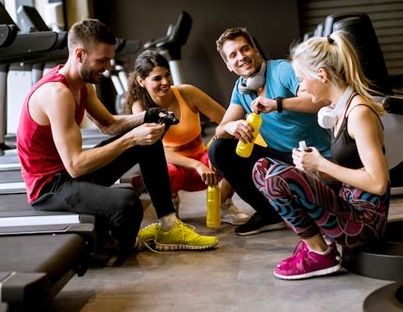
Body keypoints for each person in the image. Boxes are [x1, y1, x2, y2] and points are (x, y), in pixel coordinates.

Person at [17, 18, 218, 253]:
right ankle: (119, 247)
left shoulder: (83, 86)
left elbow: (109, 124)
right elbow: (76, 166)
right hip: (51, 188)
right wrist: (132, 138)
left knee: (149, 135)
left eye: (109, 60)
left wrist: (149, 116)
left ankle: (169, 225)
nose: (108, 66)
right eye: (102, 60)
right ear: (79, 54)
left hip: (71, 175)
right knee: (127, 203)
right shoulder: (57, 94)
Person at [252, 31, 390, 280]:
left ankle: (320, 255)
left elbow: (378, 183)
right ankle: (314, 246)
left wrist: (322, 163)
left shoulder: (359, 114)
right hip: (348, 207)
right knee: (262, 168)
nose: (301, 87)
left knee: (276, 178)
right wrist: (313, 171)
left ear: (322, 75)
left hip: (364, 225)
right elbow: (350, 171)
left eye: (301, 80)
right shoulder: (339, 110)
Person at [208, 27, 331, 236]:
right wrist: (230, 126)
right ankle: (269, 214)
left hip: (314, 157)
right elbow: (220, 130)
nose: (241, 57)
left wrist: (277, 104)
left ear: (255, 50)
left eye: (244, 49)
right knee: (218, 148)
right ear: (228, 65)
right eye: (233, 55)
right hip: (281, 159)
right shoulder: (241, 89)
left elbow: (319, 100)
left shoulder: (282, 70)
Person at [125, 50, 249, 225]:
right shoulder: (140, 107)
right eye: (157, 78)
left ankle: (224, 204)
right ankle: (171, 212)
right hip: (175, 168)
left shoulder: (187, 93)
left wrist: (214, 150)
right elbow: (156, 150)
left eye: (167, 75)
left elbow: (227, 121)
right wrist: (195, 164)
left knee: (234, 143)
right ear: (141, 81)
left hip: (205, 165)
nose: (165, 82)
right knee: (163, 170)